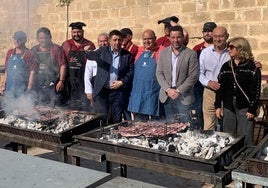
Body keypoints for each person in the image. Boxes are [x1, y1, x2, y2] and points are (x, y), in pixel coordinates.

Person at [215, 37, 261, 145]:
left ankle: (246, 160)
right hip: (228, 106)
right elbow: (220, 88)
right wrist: (217, 106)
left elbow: (256, 90)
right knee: (227, 136)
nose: (228, 50)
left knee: (246, 137)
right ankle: (229, 160)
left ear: (240, 48)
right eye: (228, 47)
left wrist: (252, 109)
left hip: (245, 107)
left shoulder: (252, 67)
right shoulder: (226, 66)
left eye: (231, 47)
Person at [85, 30, 134, 124]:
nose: (117, 42)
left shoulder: (127, 55)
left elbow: (131, 72)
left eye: (119, 40)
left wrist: (122, 82)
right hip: (102, 90)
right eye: (114, 40)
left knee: (116, 118)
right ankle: (100, 136)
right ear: (110, 41)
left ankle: (114, 136)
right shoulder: (103, 51)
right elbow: (92, 56)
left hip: (118, 92)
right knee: (101, 117)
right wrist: (86, 51)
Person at [156, 25, 199, 123]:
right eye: (173, 37)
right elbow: (159, 73)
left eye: (178, 37)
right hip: (167, 96)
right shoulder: (163, 53)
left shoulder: (191, 54)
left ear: (183, 38)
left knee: (184, 127)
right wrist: (168, 89)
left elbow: (193, 76)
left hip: (184, 97)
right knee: (170, 127)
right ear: (169, 38)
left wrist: (178, 91)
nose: (176, 40)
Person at [199, 26, 231, 130]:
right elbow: (199, 73)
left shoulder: (232, 52)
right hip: (210, 92)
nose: (218, 39)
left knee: (226, 124)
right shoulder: (205, 52)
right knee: (209, 125)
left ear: (227, 36)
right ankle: (210, 144)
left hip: (227, 93)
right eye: (215, 36)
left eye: (221, 36)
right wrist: (208, 82)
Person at [128, 29, 164, 121]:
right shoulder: (138, 51)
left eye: (149, 39)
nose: (147, 41)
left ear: (155, 39)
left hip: (153, 92)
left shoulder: (162, 50)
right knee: (139, 125)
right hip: (138, 92)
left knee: (155, 126)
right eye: (144, 39)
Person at [62, 22, 96, 110]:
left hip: (83, 81)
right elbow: (62, 62)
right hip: (70, 81)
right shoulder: (66, 44)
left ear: (82, 32)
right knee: (69, 106)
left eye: (78, 32)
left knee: (84, 106)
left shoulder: (89, 44)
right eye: (74, 32)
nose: (76, 34)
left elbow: (94, 64)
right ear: (71, 33)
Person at [31, 27, 67, 106]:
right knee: (39, 107)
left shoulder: (57, 49)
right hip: (38, 84)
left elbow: (63, 65)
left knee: (54, 106)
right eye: (41, 38)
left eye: (46, 37)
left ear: (50, 37)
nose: (43, 40)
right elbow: (31, 69)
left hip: (53, 84)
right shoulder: (34, 50)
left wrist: (61, 81)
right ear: (37, 38)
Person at [192, 22, 217, 129]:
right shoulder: (197, 48)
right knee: (200, 113)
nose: (207, 33)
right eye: (205, 31)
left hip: (216, 86)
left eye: (210, 31)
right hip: (199, 87)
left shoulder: (220, 47)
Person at [1, 31, 37, 99]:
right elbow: (7, 70)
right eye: (15, 39)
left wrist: (29, 89)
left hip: (23, 89)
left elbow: (32, 72)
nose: (17, 41)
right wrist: (3, 85)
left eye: (19, 39)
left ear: (25, 40)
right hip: (10, 87)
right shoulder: (10, 52)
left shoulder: (30, 53)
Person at [84, 32, 109, 108]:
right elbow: (88, 73)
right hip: (97, 86)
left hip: (109, 86)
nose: (103, 43)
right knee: (100, 111)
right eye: (100, 41)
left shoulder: (112, 53)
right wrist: (89, 91)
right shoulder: (93, 54)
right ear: (98, 42)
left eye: (105, 41)